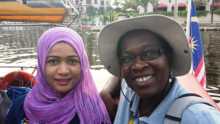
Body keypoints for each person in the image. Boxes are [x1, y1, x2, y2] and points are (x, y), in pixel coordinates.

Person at [98, 15, 220, 124]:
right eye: (127, 58)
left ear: (170, 58)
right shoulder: (130, 91)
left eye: (150, 53)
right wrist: (105, 92)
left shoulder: (198, 117)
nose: (138, 66)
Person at [6, 27, 111, 124]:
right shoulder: (22, 107)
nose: (63, 71)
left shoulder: (92, 110)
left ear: (82, 65)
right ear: (42, 65)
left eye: (72, 61)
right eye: (53, 61)